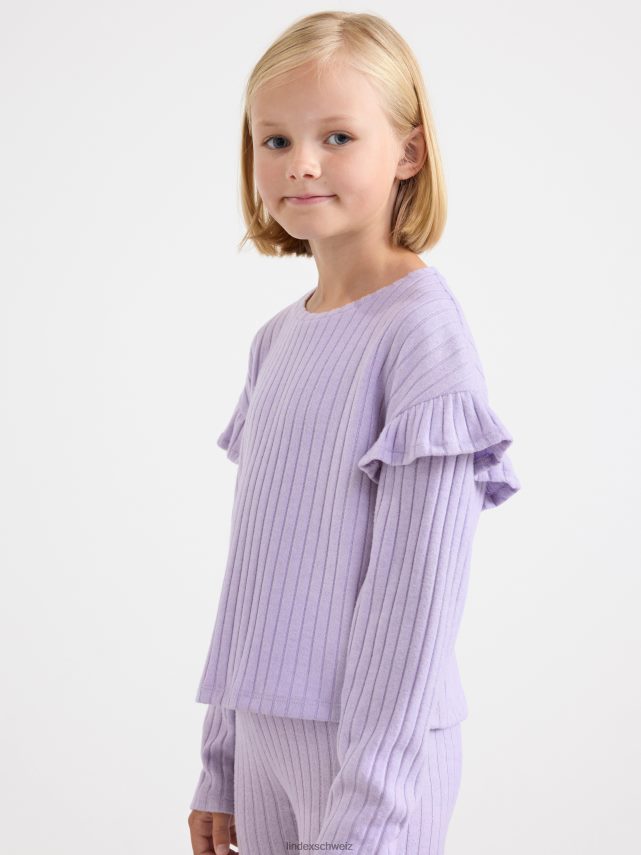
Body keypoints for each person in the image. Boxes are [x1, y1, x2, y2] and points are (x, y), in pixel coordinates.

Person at [187, 11, 521, 855]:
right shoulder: (276, 340)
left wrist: (371, 806)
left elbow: (415, 602)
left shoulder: (419, 336)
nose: (300, 162)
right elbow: (255, 567)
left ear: (407, 152)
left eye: (337, 136)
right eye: (274, 140)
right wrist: (221, 762)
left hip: (374, 759)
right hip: (264, 746)